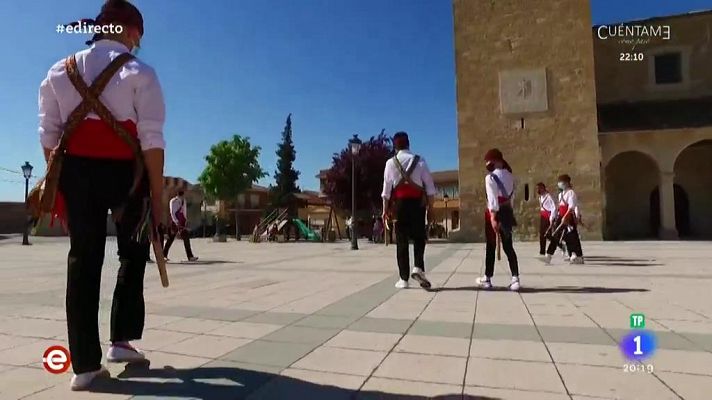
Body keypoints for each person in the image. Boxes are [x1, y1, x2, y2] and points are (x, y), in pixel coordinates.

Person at [37, 0, 163, 390]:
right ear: (127, 30)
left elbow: (49, 137)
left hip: (76, 172)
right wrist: (157, 198)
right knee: (134, 252)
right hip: (128, 175)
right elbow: (152, 141)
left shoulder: (59, 71)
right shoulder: (140, 72)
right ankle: (121, 342)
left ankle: (85, 366)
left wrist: (63, 185)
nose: (137, 44)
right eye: (137, 36)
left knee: (83, 259)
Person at [382, 132, 437, 289]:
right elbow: (430, 189)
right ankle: (418, 267)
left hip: (399, 206)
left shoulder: (390, 163)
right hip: (417, 205)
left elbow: (386, 192)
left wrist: (384, 211)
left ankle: (403, 279)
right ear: (408, 144)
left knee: (401, 241)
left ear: (395, 146)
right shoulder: (420, 161)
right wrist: (431, 208)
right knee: (419, 237)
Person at [476, 149, 520, 291]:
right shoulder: (510, 176)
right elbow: (511, 197)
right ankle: (515, 278)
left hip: (494, 212)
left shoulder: (490, 178)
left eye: (488, 161)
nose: (487, 164)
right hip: (507, 211)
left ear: (495, 160)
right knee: (508, 246)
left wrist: (493, 217)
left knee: (491, 246)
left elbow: (492, 199)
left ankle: (488, 278)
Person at [544, 174, 584, 264]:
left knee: (572, 236)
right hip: (561, 216)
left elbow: (571, 207)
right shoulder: (560, 194)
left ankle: (577, 255)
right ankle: (549, 254)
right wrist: (558, 217)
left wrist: (566, 217)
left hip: (568, 217)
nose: (559, 183)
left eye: (561, 182)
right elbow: (560, 207)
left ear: (566, 183)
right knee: (556, 235)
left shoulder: (571, 193)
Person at [163, 191, 198, 261]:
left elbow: (184, 211)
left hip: (182, 222)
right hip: (174, 222)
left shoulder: (184, 201)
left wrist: (185, 220)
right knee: (170, 239)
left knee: (186, 238)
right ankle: (163, 255)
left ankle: (190, 256)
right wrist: (176, 222)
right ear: (180, 195)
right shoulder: (173, 201)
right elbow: (172, 212)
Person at [536, 183, 557, 255]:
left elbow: (553, 207)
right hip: (542, 217)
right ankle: (542, 251)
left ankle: (559, 244)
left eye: (539, 188)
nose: (538, 190)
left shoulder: (548, 197)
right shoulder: (540, 197)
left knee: (547, 234)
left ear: (543, 188)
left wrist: (551, 218)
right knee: (542, 234)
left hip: (548, 217)